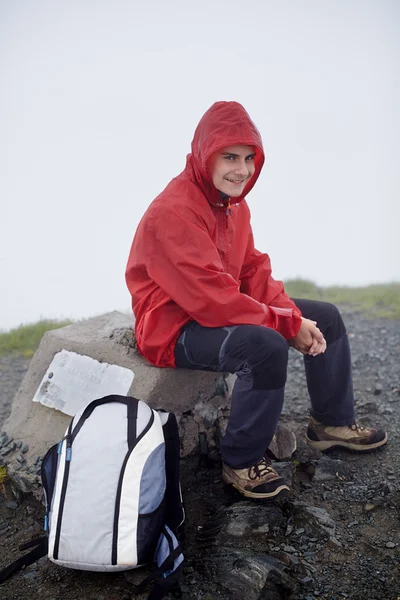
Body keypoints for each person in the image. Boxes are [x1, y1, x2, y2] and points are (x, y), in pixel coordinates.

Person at [125, 101, 388, 500]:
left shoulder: (232, 204)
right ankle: (242, 461)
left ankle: (330, 425)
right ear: (204, 155)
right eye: (229, 157)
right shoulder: (174, 211)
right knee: (264, 346)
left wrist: (294, 316)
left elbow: (253, 271)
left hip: (213, 309)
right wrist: (284, 325)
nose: (242, 169)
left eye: (249, 158)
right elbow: (212, 300)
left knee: (325, 317)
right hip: (172, 326)